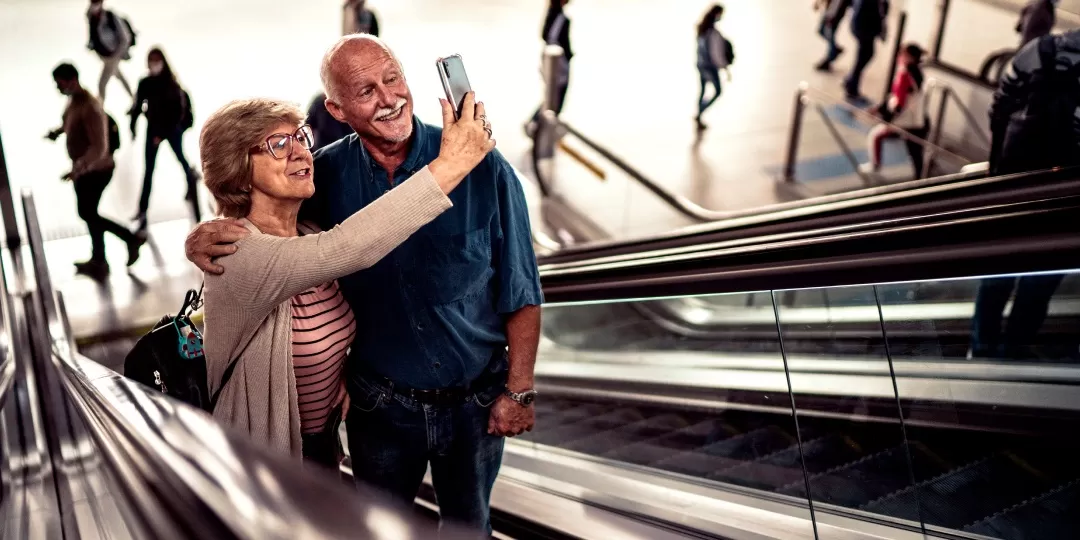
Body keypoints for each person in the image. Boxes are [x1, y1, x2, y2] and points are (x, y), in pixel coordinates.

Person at [186, 36, 543, 534]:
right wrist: (199, 234)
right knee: (376, 530)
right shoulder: (324, 182)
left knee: (469, 527)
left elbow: (521, 284)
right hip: (373, 416)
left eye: (392, 78)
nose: (388, 97)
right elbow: (335, 246)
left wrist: (519, 389)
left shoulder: (486, 170)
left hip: (467, 407)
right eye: (365, 90)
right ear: (337, 108)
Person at [197, 95, 493, 469]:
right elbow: (349, 245)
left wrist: (336, 375)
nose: (301, 153)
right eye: (278, 144)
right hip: (261, 461)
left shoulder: (307, 231)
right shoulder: (237, 253)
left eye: (300, 138)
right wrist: (452, 165)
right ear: (237, 171)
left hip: (320, 446)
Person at [970, 29, 1080, 359]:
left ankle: (981, 349)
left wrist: (996, 171)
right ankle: (1013, 353)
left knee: (997, 273)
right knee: (1037, 284)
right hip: (1065, 209)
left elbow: (999, 107)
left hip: (1013, 191)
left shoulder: (1039, 48)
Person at [45, 63, 144, 280]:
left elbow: (100, 148)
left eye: (60, 84)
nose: (58, 88)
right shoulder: (73, 102)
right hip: (84, 170)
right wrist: (57, 132)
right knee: (89, 213)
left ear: (72, 80)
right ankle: (99, 259)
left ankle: (130, 238)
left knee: (87, 213)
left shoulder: (91, 107)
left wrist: (78, 168)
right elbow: (68, 123)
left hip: (97, 170)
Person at [129, 47, 201, 232]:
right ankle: (142, 209)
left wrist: (161, 134)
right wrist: (133, 126)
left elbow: (178, 112)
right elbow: (138, 105)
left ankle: (191, 181)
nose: (153, 64)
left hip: (170, 130)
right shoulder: (145, 83)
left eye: (156, 60)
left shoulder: (171, 84)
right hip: (154, 130)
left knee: (181, 160)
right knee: (149, 170)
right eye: (150, 60)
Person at [859, 43, 930, 178]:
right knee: (915, 150)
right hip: (916, 119)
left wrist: (888, 118)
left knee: (875, 135)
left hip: (904, 120)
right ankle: (920, 175)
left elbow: (899, 101)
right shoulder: (917, 73)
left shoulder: (904, 74)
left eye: (902, 54)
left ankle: (875, 165)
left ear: (908, 56)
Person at [526, 0, 573, 136]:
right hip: (559, 61)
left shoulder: (551, 14)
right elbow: (559, 39)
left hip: (548, 58)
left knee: (550, 95)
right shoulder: (562, 18)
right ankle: (541, 126)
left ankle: (536, 123)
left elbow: (545, 35)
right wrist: (569, 55)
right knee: (557, 95)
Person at [86, 0, 134, 101]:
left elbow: (125, 38)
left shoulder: (110, 16)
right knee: (120, 77)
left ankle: (100, 108)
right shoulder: (90, 17)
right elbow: (92, 34)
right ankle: (134, 99)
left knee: (101, 84)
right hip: (104, 56)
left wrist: (117, 54)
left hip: (113, 55)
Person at [844, 0, 889, 101]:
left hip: (863, 27)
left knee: (864, 56)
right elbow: (875, 12)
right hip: (865, 28)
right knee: (865, 56)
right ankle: (851, 86)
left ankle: (851, 82)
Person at [695, 4, 731, 130]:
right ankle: (700, 112)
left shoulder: (701, 29)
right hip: (709, 67)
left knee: (703, 90)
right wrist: (726, 68)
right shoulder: (713, 34)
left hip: (700, 64)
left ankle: (699, 114)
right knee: (717, 91)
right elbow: (716, 55)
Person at [815, 0, 853, 72]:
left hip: (834, 12)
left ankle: (830, 56)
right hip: (831, 9)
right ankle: (834, 49)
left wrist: (832, 15)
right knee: (822, 31)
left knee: (828, 33)